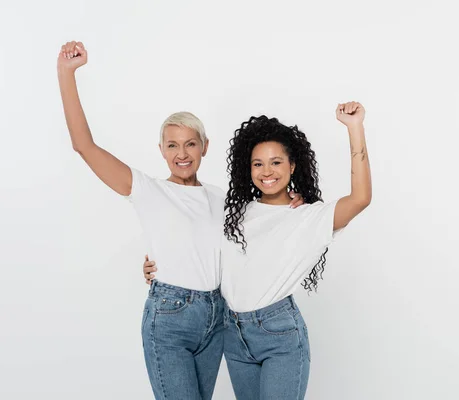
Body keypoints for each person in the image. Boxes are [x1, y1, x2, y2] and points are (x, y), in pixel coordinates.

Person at [57, 40, 302, 399]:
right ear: (161, 151)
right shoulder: (147, 189)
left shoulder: (223, 199)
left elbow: (266, 215)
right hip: (170, 318)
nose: (181, 153)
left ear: (205, 146)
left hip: (217, 317)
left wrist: (296, 197)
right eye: (172, 145)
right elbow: (84, 145)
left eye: (190, 144)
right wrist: (67, 73)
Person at [144, 101, 371, 399]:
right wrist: (157, 267)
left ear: (292, 166)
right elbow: (199, 246)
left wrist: (355, 129)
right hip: (233, 335)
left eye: (276, 162)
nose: (267, 172)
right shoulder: (235, 212)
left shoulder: (307, 216)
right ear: (247, 168)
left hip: (279, 335)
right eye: (258, 163)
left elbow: (360, 198)